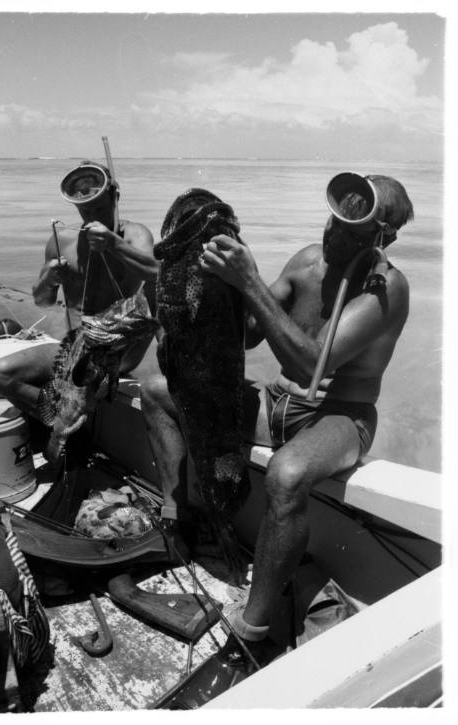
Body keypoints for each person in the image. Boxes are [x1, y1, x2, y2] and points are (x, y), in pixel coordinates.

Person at [140, 174, 413, 690]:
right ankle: (178, 520)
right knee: (157, 391)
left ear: (384, 237)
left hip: (341, 415)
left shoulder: (387, 287)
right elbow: (245, 336)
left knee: (286, 475)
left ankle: (252, 631)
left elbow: (313, 367)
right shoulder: (309, 260)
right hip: (277, 402)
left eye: (353, 231)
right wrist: (209, 287)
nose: (335, 235)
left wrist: (247, 282)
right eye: (335, 219)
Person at [0, 160, 158, 420]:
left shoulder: (134, 234)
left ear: (116, 196)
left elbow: (159, 274)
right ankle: (63, 423)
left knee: (10, 371)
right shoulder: (62, 241)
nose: (92, 215)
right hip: (72, 346)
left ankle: (65, 425)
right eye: (85, 209)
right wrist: (48, 279)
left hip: (117, 351)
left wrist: (114, 245)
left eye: (99, 207)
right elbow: (43, 301)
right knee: (2, 374)